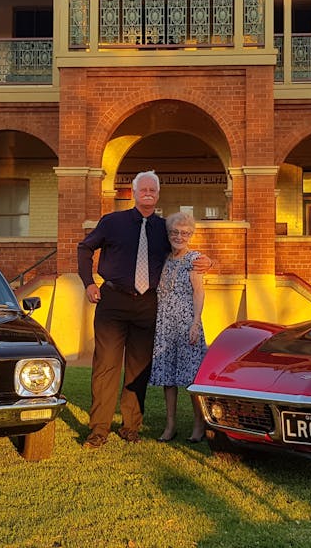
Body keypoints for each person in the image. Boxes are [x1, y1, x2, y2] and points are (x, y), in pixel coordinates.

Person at [77, 170, 210, 448]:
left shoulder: (163, 228)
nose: (148, 193)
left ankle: (131, 427)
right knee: (106, 367)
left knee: (138, 369)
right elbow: (85, 248)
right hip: (112, 301)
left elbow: (182, 247)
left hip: (147, 305)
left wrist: (207, 261)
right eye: (143, 189)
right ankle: (99, 430)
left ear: (158, 194)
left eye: (153, 190)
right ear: (134, 193)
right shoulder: (112, 222)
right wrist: (89, 283)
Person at [150, 211, 207, 443]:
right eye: (174, 232)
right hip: (165, 324)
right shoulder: (164, 259)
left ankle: (199, 424)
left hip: (186, 324)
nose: (179, 236)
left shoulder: (194, 259)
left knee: (191, 377)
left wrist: (195, 323)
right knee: (168, 377)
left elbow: (199, 292)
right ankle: (170, 425)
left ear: (191, 235)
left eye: (184, 233)